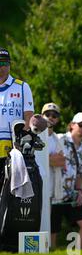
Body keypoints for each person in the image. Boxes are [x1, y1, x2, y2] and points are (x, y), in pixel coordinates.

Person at [51, 112, 82, 249]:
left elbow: (81, 175)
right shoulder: (58, 139)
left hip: (71, 195)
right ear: (71, 125)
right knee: (52, 234)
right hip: (52, 194)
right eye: (80, 125)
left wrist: (79, 191)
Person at [0, 47, 34, 191]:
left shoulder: (22, 87)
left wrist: (22, 139)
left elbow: (29, 117)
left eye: (5, 63)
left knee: (9, 194)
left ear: (10, 65)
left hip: (13, 148)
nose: (2, 67)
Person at [41, 103, 66, 205]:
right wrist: (51, 160)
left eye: (54, 116)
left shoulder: (58, 140)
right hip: (36, 185)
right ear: (42, 116)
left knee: (48, 220)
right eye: (47, 114)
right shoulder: (35, 136)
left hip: (51, 188)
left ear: (57, 120)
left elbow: (61, 162)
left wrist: (45, 159)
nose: (50, 117)